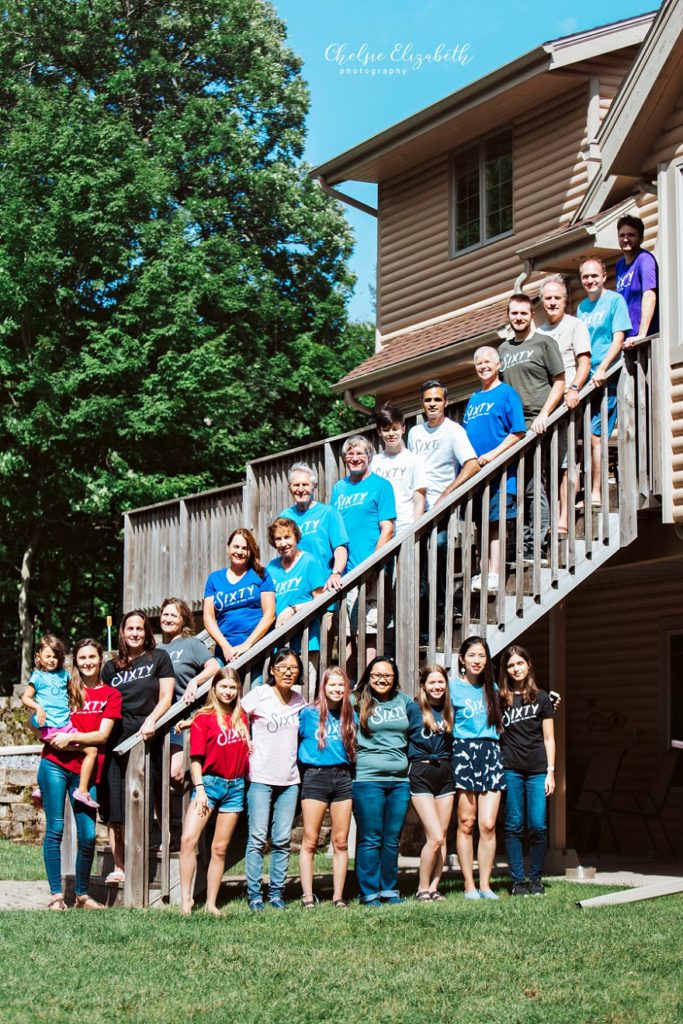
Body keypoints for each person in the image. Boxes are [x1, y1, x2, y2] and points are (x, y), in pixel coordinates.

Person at [37, 638, 122, 909]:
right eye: (82, 658)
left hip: (87, 771)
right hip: (54, 764)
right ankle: (56, 896)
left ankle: (82, 896)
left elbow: (103, 735)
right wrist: (46, 731)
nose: (87, 663)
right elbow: (38, 720)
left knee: (87, 835)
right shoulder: (64, 689)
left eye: (92, 657)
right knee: (56, 829)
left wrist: (72, 740)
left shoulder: (111, 694)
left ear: (101, 659)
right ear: (76, 662)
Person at [100, 611, 175, 885]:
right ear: (121, 632)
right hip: (115, 742)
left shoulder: (158, 659)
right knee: (115, 807)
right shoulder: (110, 667)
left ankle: (147, 855)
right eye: (129, 628)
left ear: (147, 632)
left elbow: (166, 696)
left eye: (140, 628)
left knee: (146, 798)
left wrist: (152, 720)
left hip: (146, 739)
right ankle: (119, 865)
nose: (134, 633)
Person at [499, 293, 566, 563]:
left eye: (524, 313)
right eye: (514, 313)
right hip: (514, 429)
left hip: (538, 424)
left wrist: (545, 414)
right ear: (508, 316)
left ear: (531, 315)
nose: (519, 317)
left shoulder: (544, 343)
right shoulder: (502, 350)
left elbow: (560, 381)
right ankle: (523, 545)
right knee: (520, 488)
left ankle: (535, 545)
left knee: (533, 486)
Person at [178, 667, 250, 916]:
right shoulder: (203, 717)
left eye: (232, 687)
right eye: (223, 687)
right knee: (189, 840)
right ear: (214, 688)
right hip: (208, 784)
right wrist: (199, 790)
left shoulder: (243, 717)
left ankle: (211, 903)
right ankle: (186, 900)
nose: (228, 692)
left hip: (235, 787)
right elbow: (195, 759)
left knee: (219, 849)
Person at [407, 380, 479, 624]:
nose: (433, 404)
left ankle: (442, 605)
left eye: (437, 399)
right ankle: (421, 613)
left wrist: (446, 495)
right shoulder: (415, 432)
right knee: (415, 558)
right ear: (422, 404)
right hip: (417, 508)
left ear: (445, 402)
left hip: (442, 508)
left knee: (437, 546)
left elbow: (472, 464)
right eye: (428, 400)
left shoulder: (454, 430)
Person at [241, 647, 306, 910]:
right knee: (257, 837)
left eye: (293, 668)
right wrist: (246, 739)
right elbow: (234, 713)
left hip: (290, 779)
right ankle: (254, 893)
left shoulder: (300, 699)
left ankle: (277, 893)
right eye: (283, 668)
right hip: (260, 776)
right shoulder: (260, 694)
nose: (288, 672)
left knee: (282, 840)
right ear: (272, 671)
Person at [462, 347, 526, 592]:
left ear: (498, 364)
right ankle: (483, 571)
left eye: (488, 361)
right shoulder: (474, 398)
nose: (483, 366)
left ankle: (496, 573)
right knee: (481, 524)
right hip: (476, 476)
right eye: (478, 363)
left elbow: (518, 432)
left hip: (499, 474)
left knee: (496, 523)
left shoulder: (507, 394)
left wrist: (493, 454)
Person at [330, 436, 396, 667]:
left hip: (371, 571)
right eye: (350, 454)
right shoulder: (339, 488)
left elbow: (387, 530)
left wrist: (373, 568)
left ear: (369, 457)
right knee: (348, 633)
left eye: (359, 453)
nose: (354, 458)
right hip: (345, 574)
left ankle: (370, 683)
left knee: (369, 631)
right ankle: (350, 690)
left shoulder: (381, 486)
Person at [352, 655, 410, 906]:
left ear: (395, 678)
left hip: (400, 781)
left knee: (391, 838)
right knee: (370, 837)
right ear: (368, 676)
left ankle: (389, 888)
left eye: (387, 675)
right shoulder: (356, 701)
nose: (381, 679)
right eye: (376, 675)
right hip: (368, 779)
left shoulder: (405, 702)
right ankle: (368, 891)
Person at [537, 275, 592, 535]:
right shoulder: (538, 333)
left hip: (567, 405)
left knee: (566, 462)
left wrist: (574, 389)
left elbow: (584, 363)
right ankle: (548, 519)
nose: (552, 302)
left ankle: (564, 516)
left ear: (565, 300)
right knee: (547, 465)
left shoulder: (575, 325)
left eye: (557, 298)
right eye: (547, 298)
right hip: (544, 408)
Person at [499, 645, 556, 896]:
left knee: (538, 825)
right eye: (511, 665)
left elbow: (549, 739)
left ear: (528, 665)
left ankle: (535, 879)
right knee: (513, 824)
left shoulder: (542, 698)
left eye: (519, 663)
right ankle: (517, 880)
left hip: (537, 770)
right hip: (510, 768)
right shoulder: (500, 698)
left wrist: (551, 771)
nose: (515, 669)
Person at [450, 635, 504, 900]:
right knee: (466, 822)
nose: (477, 660)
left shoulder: (492, 688)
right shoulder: (452, 688)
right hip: (464, 752)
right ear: (462, 659)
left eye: (482, 655)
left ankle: (485, 884)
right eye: (472, 655)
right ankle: (469, 885)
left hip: (491, 752)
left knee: (488, 824)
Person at [298, 666, 356, 908]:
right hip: (315, 777)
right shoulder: (308, 714)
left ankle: (338, 896)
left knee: (341, 841)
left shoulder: (349, 715)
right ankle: (308, 896)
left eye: (341, 685)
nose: (337, 689)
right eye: (332, 684)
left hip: (342, 777)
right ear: (323, 687)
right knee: (310, 840)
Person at [576, 258, 631, 508]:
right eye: (585, 277)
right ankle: (587, 488)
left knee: (596, 436)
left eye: (594, 275)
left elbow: (618, 338)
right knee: (586, 437)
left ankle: (596, 492)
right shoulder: (582, 308)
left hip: (606, 378)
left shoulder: (615, 301)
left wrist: (604, 368)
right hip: (586, 381)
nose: (590, 280)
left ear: (604, 275)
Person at [22, 634, 99, 809]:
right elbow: (25, 698)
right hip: (50, 726)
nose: (52, 660)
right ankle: (81, 790)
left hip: (66, 725)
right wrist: (38, 708)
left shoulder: (64, 675)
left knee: (89, 750)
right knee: (90, 750)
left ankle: (43, 789)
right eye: (48, 656)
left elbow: (75, 690)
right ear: (38, 657)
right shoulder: (38, 677)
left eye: (56, 656)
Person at [158, 597, 220, 784]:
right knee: (159, 774)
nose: (168, 619)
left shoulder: (191, 644)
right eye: (165, 614)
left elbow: (214, 667)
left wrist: (195, 680)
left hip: (184, 717)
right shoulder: (156, 649)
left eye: (173, 615)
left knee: (175, 773)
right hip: (161, 719)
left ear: (183, 620)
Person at [406, 664, 454, 901]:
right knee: (434, 836)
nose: (437, 686)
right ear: (424, 686)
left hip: (445, 773)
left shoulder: (450, 710)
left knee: (441, 837)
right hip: (421, 772)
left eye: (441, 682)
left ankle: (435, 887)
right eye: (432, 682)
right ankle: (421, 888)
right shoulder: (413, 709)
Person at [203, 527, 276, 665]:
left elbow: (270, 614)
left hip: (256, 648)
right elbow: (208, 617)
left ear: (250, 552)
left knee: (255, 686)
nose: (240, 551)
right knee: (220, 684)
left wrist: (247, 645)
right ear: (228, 548)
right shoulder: (214, 578)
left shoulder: (261, 574)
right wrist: (225, 647)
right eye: (236, 546)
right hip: (225, 650)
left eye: (245, 548)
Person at [266, 517, 326, 668]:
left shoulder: (310, 562)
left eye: (287, 537)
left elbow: (321, 601)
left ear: (296, 537)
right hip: (278, 643)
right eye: (278, 539)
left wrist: (293, 609)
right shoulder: (271, 568)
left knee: (304, 688)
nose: (283, 543)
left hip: (305, 641)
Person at [279, 462, 348, 590]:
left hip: (324, 586)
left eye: (305, 484)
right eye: (296, 485)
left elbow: (340, 549)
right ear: (290, 488)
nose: (300, 489)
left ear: (314, 486)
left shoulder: (329, 513)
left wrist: (336, 573)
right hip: (297, 589)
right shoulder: (285, 516)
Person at [372, 405, 427, 533]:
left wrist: (415, 528)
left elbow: (419, 497)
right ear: (379, 432)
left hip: (405, 528)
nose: (391, 434)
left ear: (403, 429)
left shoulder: (414, 459)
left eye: (395, 429)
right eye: (386, 430)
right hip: (381, 530)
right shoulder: (374, 462)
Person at [615, 214, 659, 345]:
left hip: (644, 339)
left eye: (631, 235)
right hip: (626, 337)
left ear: (641, 239)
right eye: (622, 235)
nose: (626, 239)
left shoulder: (645, 260)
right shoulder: (619, 265)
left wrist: (642, 334)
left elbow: (650, 295)